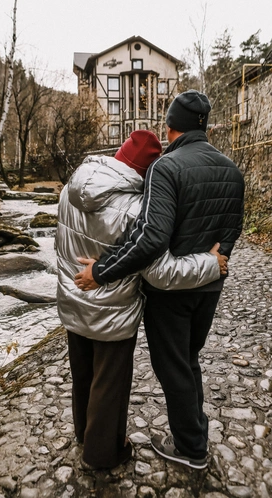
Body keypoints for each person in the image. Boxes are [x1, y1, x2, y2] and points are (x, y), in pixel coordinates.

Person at [74, 90, 245, 470]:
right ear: (205, 126)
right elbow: (232, 229)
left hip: (171, 292)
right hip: (210, 286)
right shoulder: (232, 170)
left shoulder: (165, 168)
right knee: (188, 360)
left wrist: (100, 272)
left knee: (173, 368)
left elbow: (151, 239)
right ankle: (195, 435)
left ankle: (190, 450)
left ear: (170, 128)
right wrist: (218, 260)